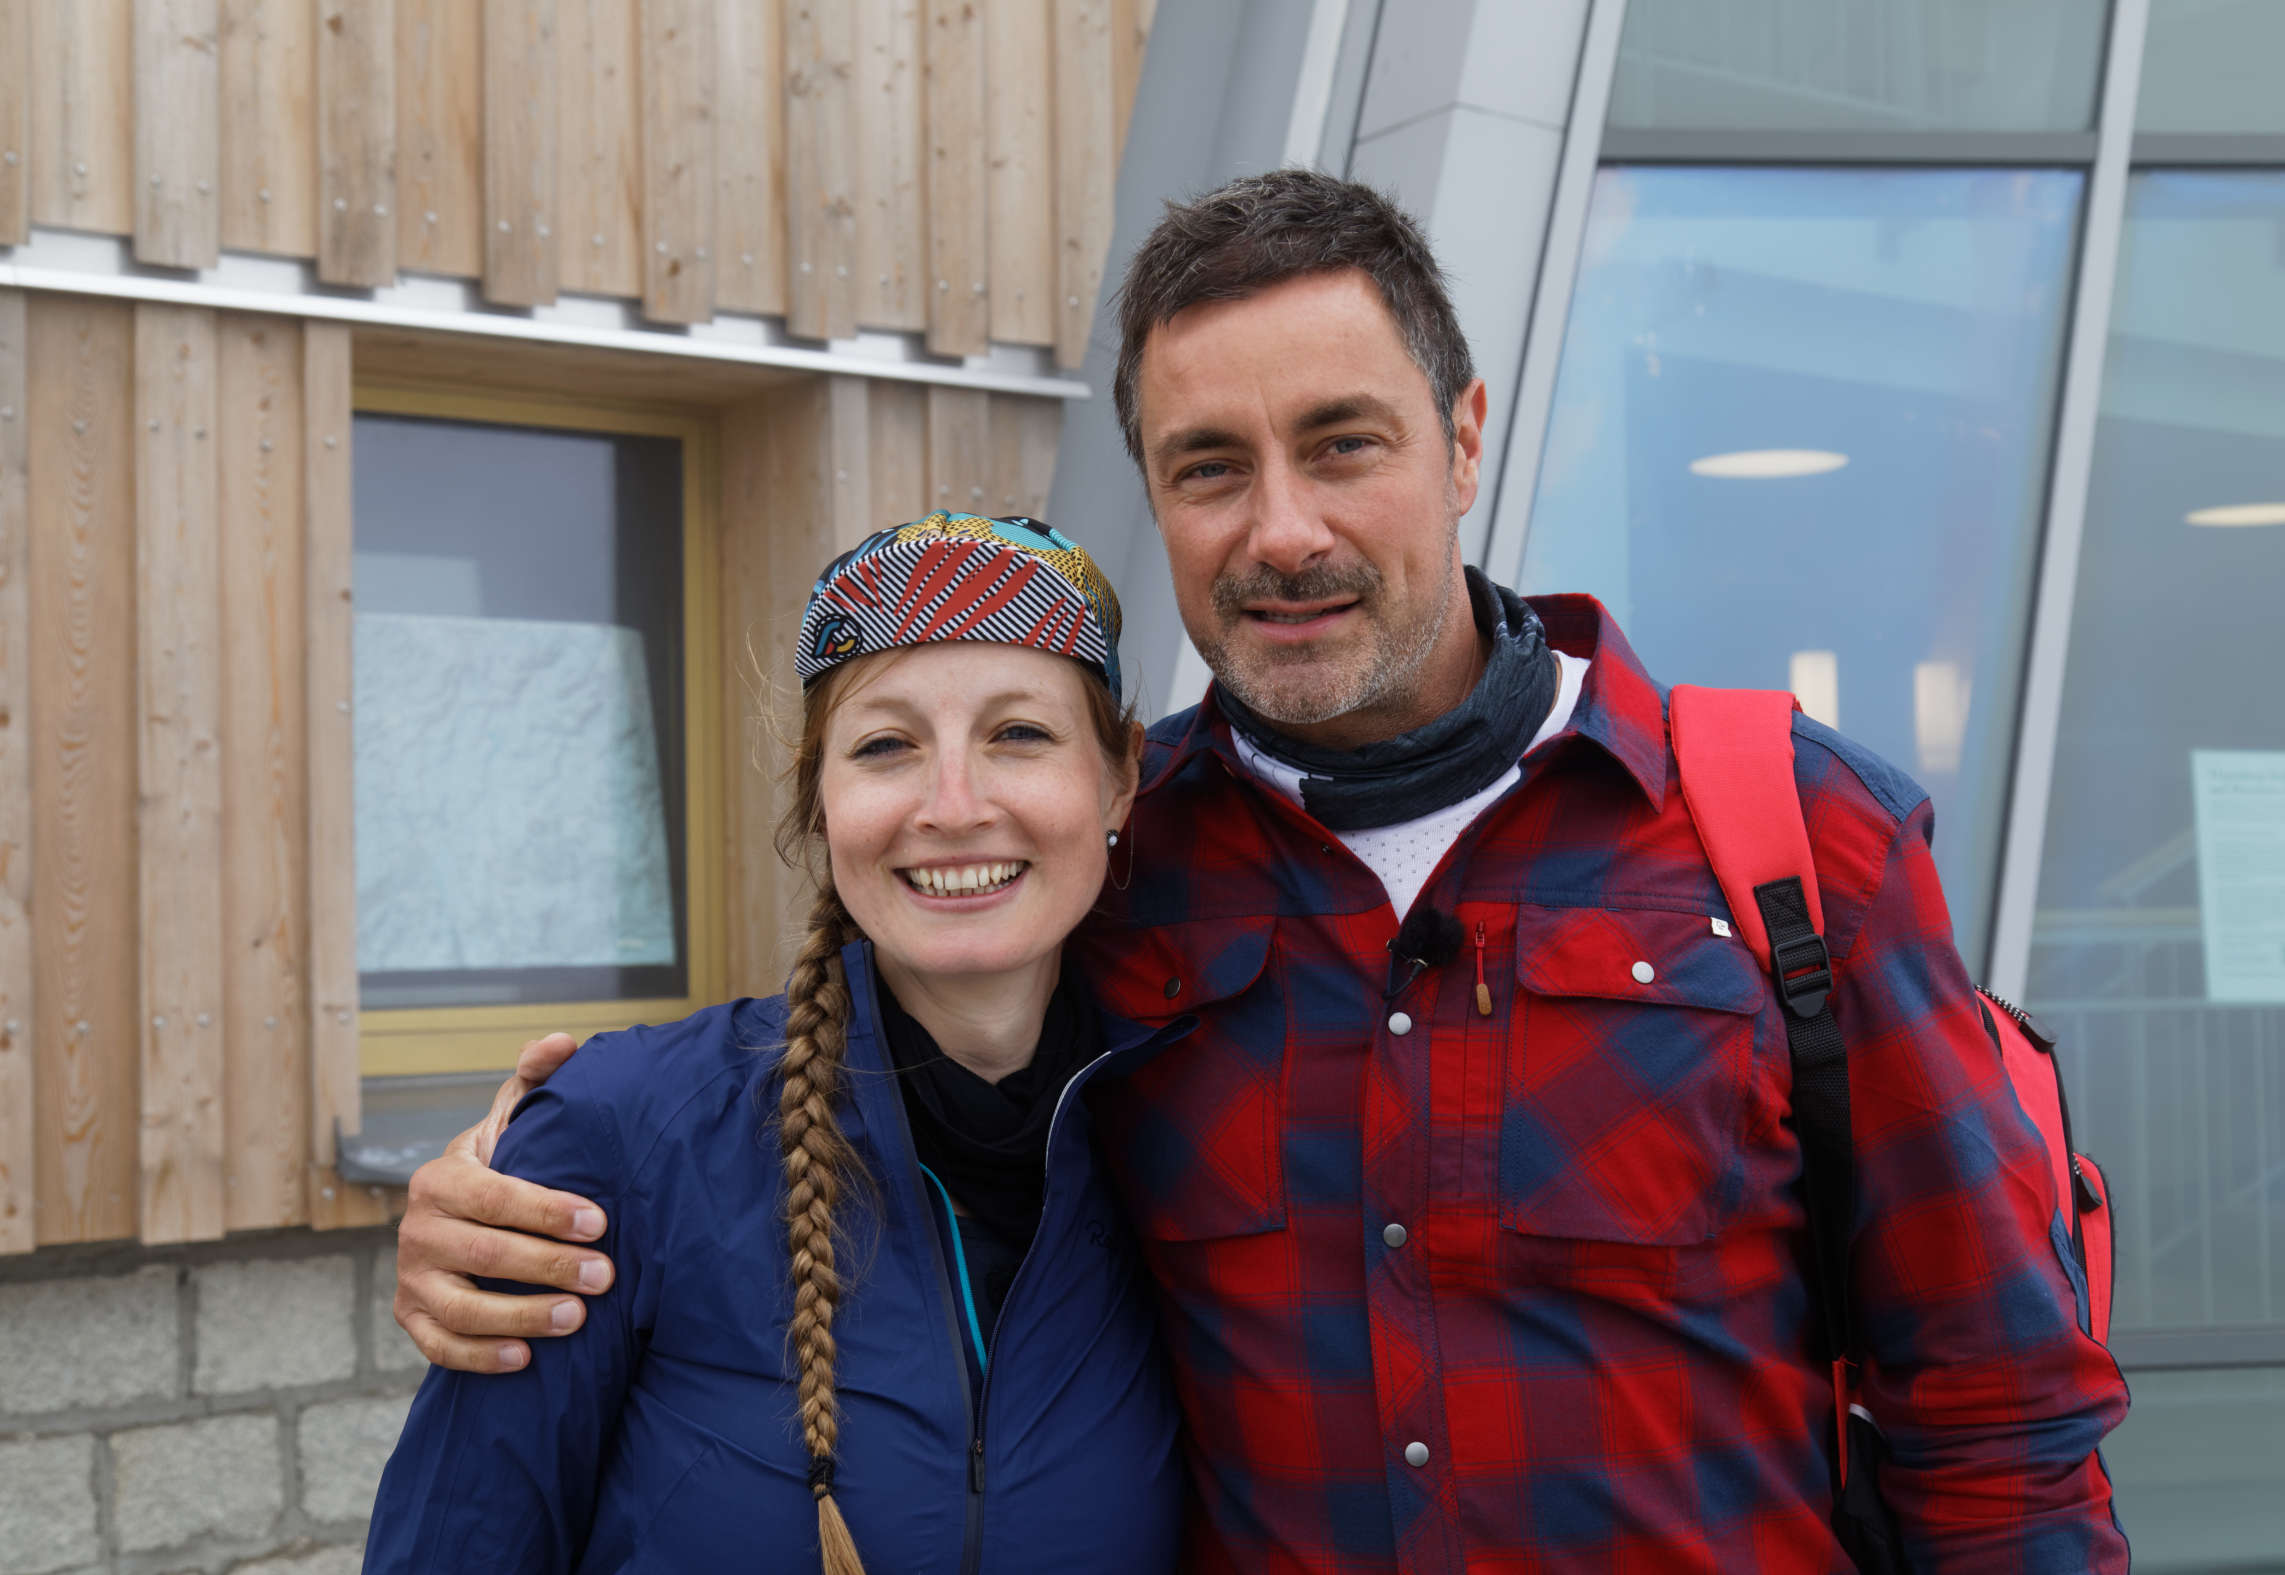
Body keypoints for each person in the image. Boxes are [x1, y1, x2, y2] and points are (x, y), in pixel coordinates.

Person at [392, 172, 2131, 1572]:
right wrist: (510, 1180)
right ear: (1155, 500)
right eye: (1208, 468)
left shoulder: (1784, 842)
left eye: (1342, 442)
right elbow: (882, 1084)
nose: (1280, 528)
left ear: (1459, 441)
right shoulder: (1120, 862)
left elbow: (1992, 1410)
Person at [365, 514, 1189, 1573]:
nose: (952, 806)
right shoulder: (623, 1137)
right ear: (820, 800)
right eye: (885, 746)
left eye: (1017, 734)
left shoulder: (1197, 1129)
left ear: (1120, 779)